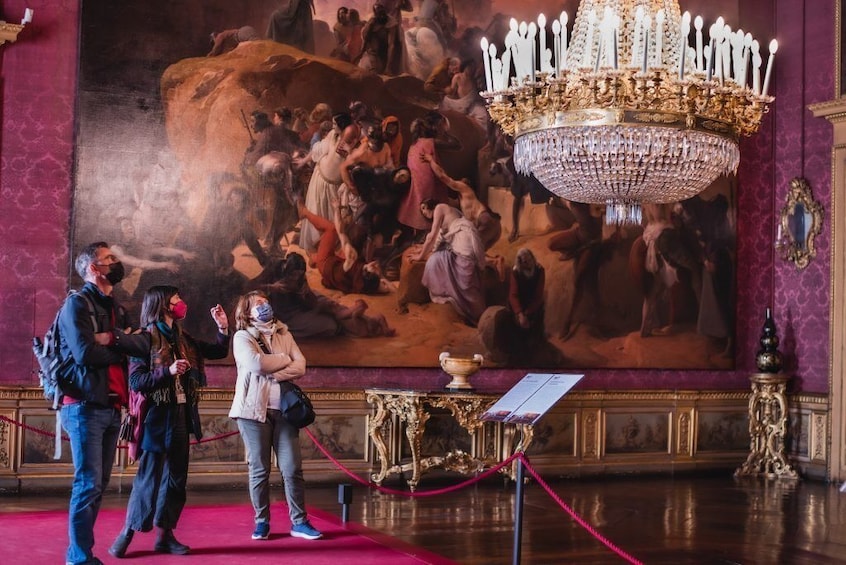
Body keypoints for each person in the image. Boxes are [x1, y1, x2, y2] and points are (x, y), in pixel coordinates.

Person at [108, 286, 230, 558]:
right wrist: (168, 371)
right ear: (164, 305)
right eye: (176, 299)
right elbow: (136, 381)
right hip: (156, 417)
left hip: (181, 415)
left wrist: (223, 328)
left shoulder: (183, 338)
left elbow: (216, 351)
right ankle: (127, 532)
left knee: (176, 479)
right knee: (148, 480)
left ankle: (165, 535)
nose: (181, 303)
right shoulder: (143, 339)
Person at [59, 241, 150, 565]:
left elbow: (142, 346)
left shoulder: (117, 308)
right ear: (93, 268)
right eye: (109, 258)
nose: (116, 262)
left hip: (112, 406)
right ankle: (78, 556)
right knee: (88, 483)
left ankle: (82, 552)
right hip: (84, 404)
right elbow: (84, 353)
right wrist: (121, 343)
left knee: (98, 484)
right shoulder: (77, 305)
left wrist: (111, 338)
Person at [229, 290, 323, 541]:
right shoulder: (242, 336)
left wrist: (274, 370)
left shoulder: (284, 333)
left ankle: (299, 522)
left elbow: (300, 365)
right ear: (247, 312)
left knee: (292, 468)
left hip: (285, 411)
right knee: (259, 469)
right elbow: (256, 364)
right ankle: (262, 522)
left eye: (266, 302)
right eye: (258, 303)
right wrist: (284, 358)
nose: (264, 305)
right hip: (252, 412)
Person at [411, 200, 487, 324]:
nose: (423, 212)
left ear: (431, 205)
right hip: (464, 243)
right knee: (464, 281)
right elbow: (436, 240)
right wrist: (423, 249)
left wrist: (420, 257)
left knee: (465, 282)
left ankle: (481, 316)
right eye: (421, 210)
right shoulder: (446, 213)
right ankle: (477, 316)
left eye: (424, 208)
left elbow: (432, 237)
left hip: (464, 244)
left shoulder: (439, 208)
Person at [298, 202, 393, 295]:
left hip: (325, 263)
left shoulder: (351, 259)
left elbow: (340, 232)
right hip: (334, 265)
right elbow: (389, 288)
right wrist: (380, 276)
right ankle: (315, 258)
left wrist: (336, 209)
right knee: (336, 251)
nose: (373, 264)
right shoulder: (368, 285)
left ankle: (304, 212)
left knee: (331, 229)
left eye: (372, 267)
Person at [295, 112, 353, 252]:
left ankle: (328, 250)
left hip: (334, 187)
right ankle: (316, 248)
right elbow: (318, 150)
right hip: (319, 179)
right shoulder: (333, 134)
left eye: (335, 124)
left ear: (342, 125)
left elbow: (354, 163)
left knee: (333, 220)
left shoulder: (352, 141)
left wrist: (350, 151)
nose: (332, 126)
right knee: (316, 214)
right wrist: (303, 161)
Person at [508, 248, 545, 337]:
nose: (529, 263)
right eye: (525, 262)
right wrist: (520, 314)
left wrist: (527, 313)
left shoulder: (539, 270)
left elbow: (538, 295)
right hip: (519, 304)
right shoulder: (516, 272)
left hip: (533, 303)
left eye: (530, 259)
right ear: (520, 263)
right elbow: (513, 295)